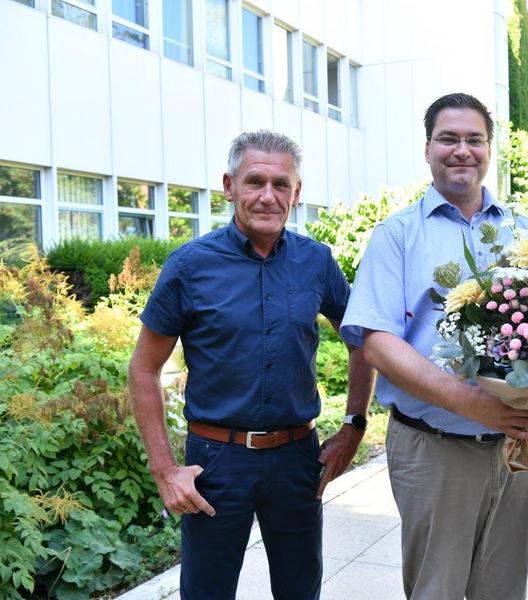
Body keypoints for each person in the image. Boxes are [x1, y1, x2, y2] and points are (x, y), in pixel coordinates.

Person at [339, 92, 528, 600]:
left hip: (519, 448)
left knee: (503, 589)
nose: (462, 150)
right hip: (434, 449)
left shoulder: (525, 233)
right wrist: (476, 405)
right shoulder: (397, 236)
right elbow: (378, 345)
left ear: (490, 149)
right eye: (449, 139)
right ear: (427, 148)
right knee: (437, 591)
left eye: (474, 139)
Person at [128, 130, 374, 600]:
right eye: (254, 181)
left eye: (281, 184)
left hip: (298, 458)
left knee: (300, 590)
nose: (267, 196)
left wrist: (354, 425)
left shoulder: (317, 262)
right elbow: (143, 369)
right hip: (216, 463)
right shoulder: (189, 266)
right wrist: (164, 469)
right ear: (229, 186)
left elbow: (362, 341)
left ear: (296, 193)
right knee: (206, 592)